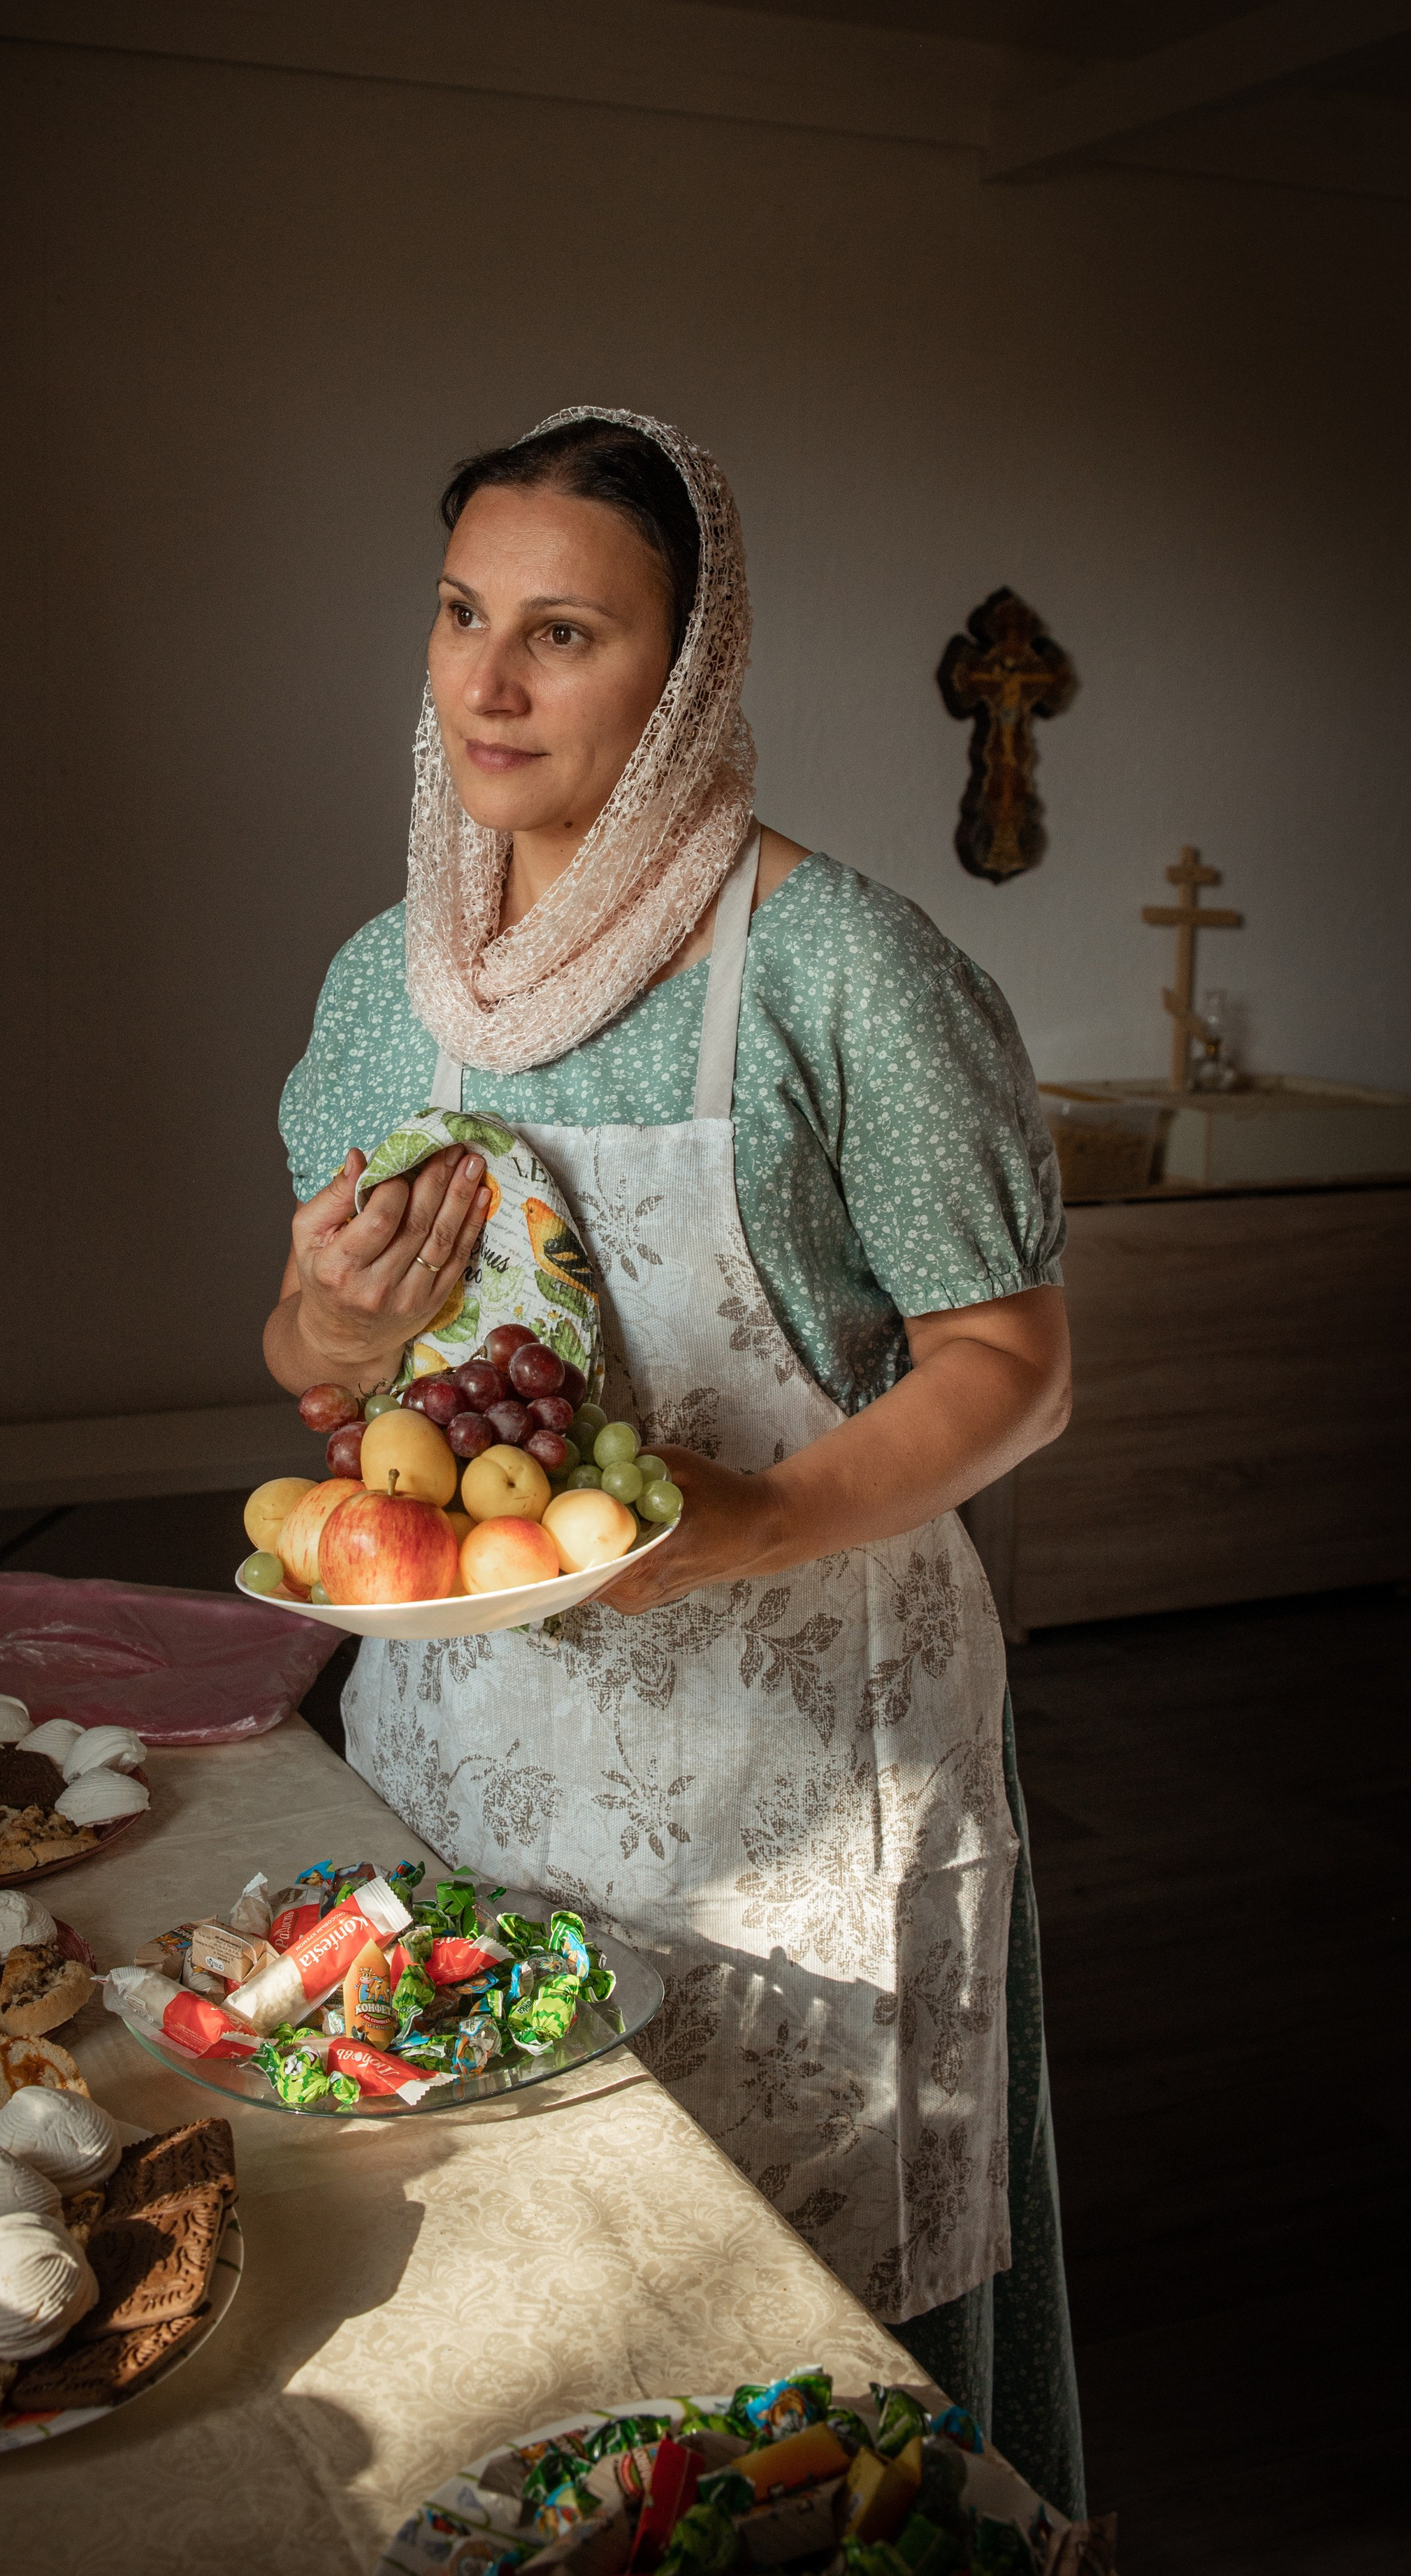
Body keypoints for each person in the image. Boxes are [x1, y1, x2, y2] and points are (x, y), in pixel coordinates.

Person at [269, 407, 1085, 2513]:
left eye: (566, 631)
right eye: (462, 615)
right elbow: (323, 1386)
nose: (490, 680)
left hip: (796, 1751)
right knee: (510, 2296)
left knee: (790, 2348)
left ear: (690, 671)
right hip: (465, 1749)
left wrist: (773, 1518)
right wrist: (336, 1333)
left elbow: (1016, 1362)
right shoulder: (384, 992)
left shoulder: (840, 969)